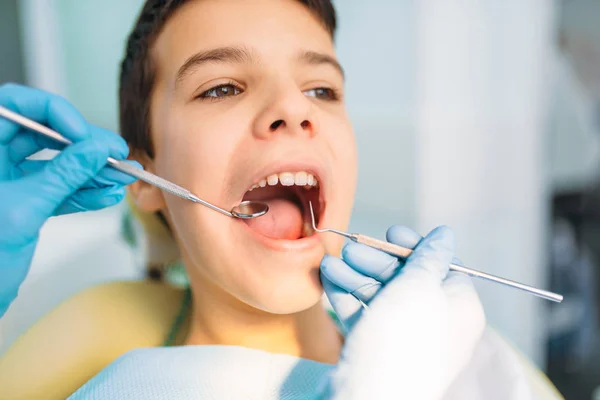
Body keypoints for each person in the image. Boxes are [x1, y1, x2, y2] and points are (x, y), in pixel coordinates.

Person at [0, 0, 563, 399]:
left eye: (322, 89)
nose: (295, 109)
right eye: (221, 87)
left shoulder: (453, 347)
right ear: (144, 177)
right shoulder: (106, 327)